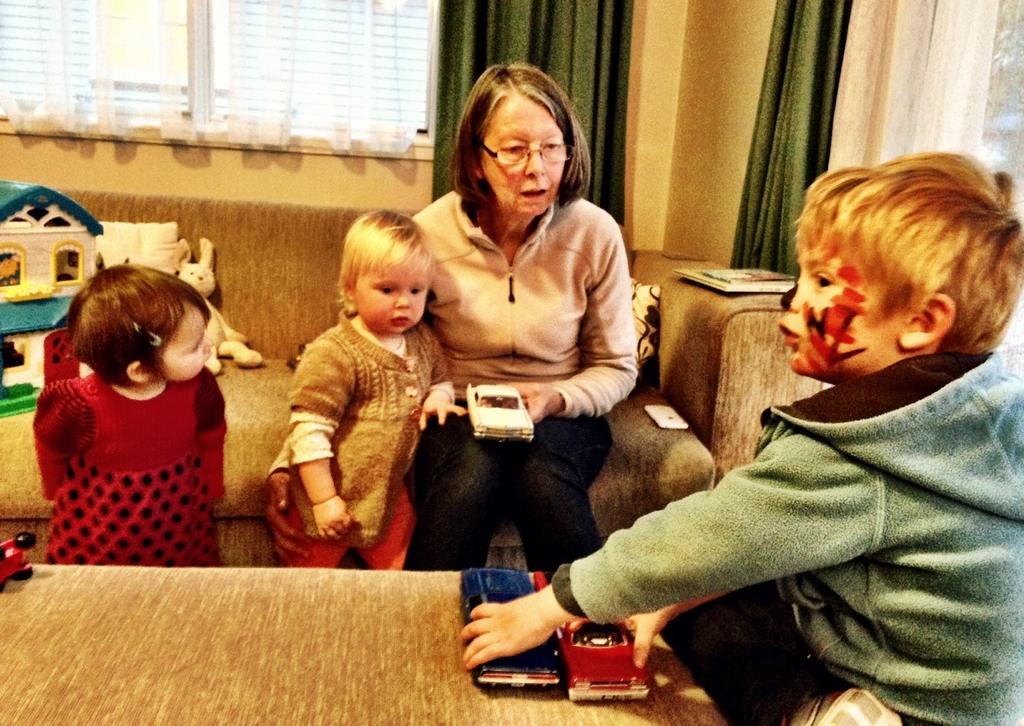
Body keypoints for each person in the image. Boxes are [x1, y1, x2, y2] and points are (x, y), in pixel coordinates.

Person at [460, 152, 1024, 726]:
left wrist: (549, 606)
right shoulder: (986, 409)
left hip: (921, 708)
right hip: (977, 695)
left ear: (923, 323)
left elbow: (705, 536)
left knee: (715, 623)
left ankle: (808, 715)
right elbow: (763, 549)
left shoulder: (860, 452)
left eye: (823, 282)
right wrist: (674, 595)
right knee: (704, 598)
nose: (792, 300)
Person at [265, 62, 637, 572]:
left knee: (543, 478)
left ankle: (583, 615)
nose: (538, 169)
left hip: (562, 409)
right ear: (476, 158)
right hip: (457, 407)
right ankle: (425, 616)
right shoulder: (429, 236)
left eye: (552, 147)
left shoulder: (595, 233)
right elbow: (359, 346)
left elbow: (617, 365)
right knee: (468, 478)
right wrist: (288, 460)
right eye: (515, 149)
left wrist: (556, 398)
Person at [270, 211, 465, 570]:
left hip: (390, 497)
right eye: (388, 290)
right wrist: (323, 499)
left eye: (416, 290)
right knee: (305, 583)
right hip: (329, 493)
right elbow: (309, 431)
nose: (404, 302)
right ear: (350, 288)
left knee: (410, 577)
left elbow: (441, 380)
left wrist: (438, 399)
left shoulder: (422, 340)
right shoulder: (333, 352)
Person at [34, 264, 226, 566]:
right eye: (193, 347)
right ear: (140, 370)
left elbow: (212, 433)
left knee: (183, 581)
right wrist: (52, 489)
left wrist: (213, 483)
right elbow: (50, 447)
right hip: (99, 530)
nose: (209, 346)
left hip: (181, 519)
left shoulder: (199, 387)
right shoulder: (77, 405)